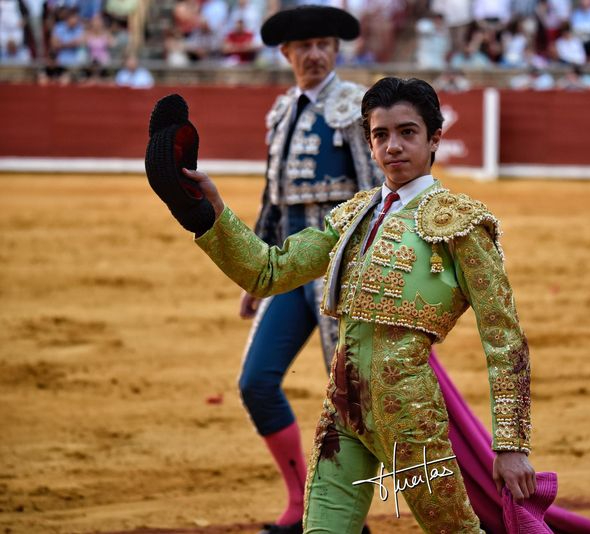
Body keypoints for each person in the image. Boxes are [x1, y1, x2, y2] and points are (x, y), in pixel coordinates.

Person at [146, 76, 535, 534]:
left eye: (407, 133)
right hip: (343, 412)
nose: (393, 146)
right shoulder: (352, 216)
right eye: (380, 135)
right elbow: (268, 271)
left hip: (410, 420)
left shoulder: (461, 224)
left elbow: (503, 338)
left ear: (434, 138)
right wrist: (204, 209)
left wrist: (511, 445)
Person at [237, 6, 382, 534]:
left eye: (324, 44)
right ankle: (301, 504)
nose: (315, 54)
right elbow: (272, 201)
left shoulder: (354, 107)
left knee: (348, 398)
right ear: (286, 54)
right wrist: (255, 272)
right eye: (305, 47)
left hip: (342, 271)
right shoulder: (280, 112)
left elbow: (375, 194)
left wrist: (372, 272)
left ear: (337, 50)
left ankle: (346, 519)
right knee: (256, 383)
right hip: (290, 273)